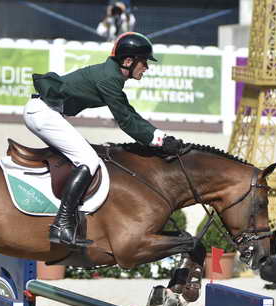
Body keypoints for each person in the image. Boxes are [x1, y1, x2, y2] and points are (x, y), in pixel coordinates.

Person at [24, 32, 183, 248]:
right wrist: (160, 141)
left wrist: (160, 137)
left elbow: (128, 113)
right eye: (144, 62)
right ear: (128, 61)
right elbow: (126, 119)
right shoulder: (109, 79)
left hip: (46, 113)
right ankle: (62, 224)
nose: (146, 67)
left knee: (84, 156)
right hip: (43, 114)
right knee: (89, 160)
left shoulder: (111, 75)